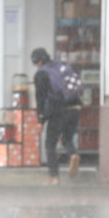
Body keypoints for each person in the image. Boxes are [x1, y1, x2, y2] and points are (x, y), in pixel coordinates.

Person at [31, 47, 82, 185]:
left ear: (38, 61)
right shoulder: (63, 66)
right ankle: (73, 154)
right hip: (75, 107)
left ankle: (54, 177)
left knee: (50, 144)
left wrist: (41, 119)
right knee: (67, 139)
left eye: (35, 63)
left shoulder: (41, 74)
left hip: (58, 111)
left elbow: (40, 98)